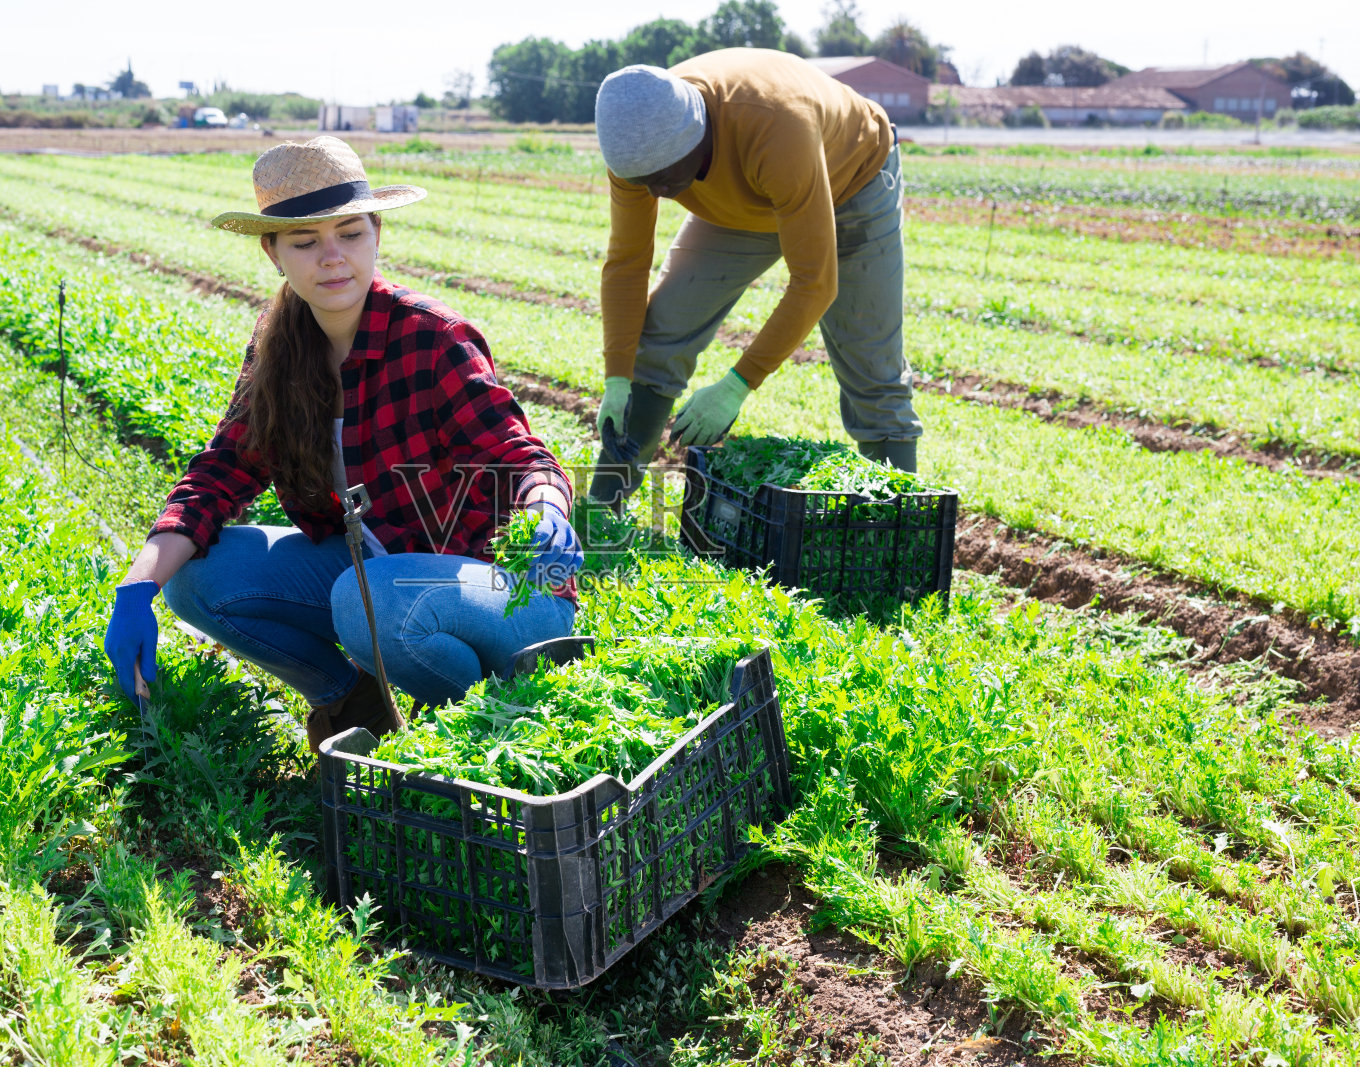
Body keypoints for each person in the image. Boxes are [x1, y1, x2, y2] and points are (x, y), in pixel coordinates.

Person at [102, 137, 583, 748]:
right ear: (272, 252)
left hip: (504, 595)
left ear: (376, 232)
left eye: (350, 233)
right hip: (380, 577)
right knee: (198, 579)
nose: (332, 258)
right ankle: (353, 702)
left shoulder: (432, 338)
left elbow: (521, 457)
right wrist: (139, 585)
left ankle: (479, 736)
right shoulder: (281, 344)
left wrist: (546, 510)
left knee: (369, 600)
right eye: (305, 242)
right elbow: (223, 470)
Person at [588, 48, 920, 512]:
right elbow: (627, 261)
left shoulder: (775, 127)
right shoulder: (636, 145)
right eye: (642, 182)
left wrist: (736, 385)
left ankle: (897, 535)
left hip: (852, 182)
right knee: (659, 335)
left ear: (696, 138)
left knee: (874, 374)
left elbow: (816, 282)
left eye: (663, 179)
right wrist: (617, 378)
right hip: (740, 195)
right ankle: (603, 510)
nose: (655, 193)